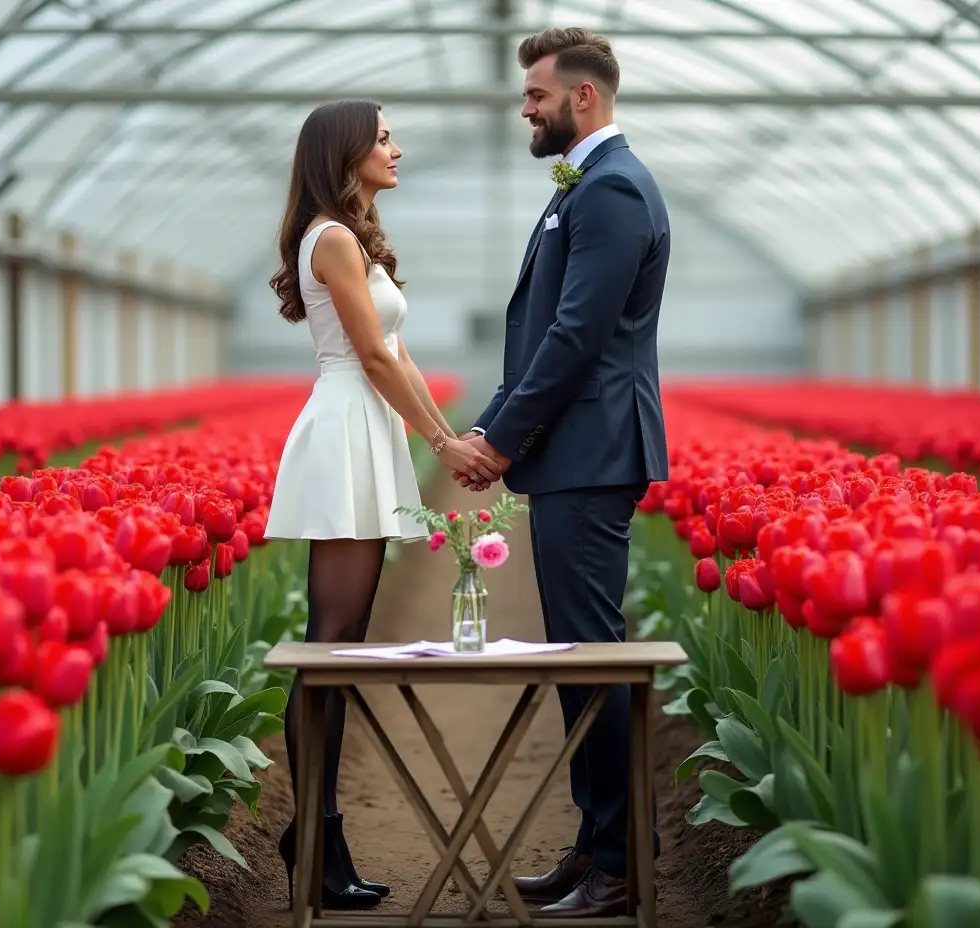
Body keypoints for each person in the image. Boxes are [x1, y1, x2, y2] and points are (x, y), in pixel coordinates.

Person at [264, 99, 503, 910]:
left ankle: (319, 836)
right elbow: (369, 354)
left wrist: (451, 435)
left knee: (345, 641)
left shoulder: (350, 236)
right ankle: (317, 835)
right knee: (330, 642)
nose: (396, 150)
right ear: (347, 151)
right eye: (385, 138)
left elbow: (397, 351)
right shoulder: (330, 239)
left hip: (366, 426)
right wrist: (442, 445)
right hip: (343, 428)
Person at [455, 28, 670, 918]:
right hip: (574, 453)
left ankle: (620, 864)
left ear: (584, 97)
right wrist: (500, 429)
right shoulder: (589, 186)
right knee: (579, 655)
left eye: (537, 95)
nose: (526, 110)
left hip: (591, 451)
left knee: (593, 653)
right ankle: (594, 845)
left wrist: (499, 440)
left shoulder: (613, 188)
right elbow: (549, 331)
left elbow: (576, 336)